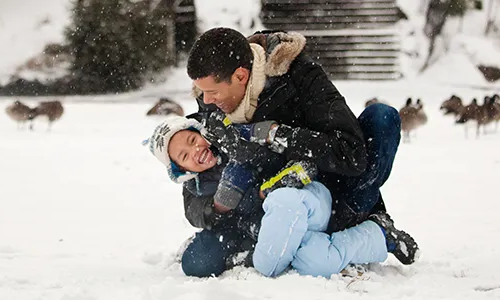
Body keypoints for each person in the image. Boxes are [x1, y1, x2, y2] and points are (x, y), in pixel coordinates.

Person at [180, 27, 419, 276]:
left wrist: (277, 135)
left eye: (212, 92)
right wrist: (217, 208)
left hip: (330, 193)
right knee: (198, 261)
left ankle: (354, 228)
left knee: (382, 118)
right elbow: (192, 185)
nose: (206, 101)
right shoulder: (212, 104)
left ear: (240, 76)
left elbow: (351, 153)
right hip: (260, 207)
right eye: (202, 93)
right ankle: (318, 245)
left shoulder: (301, 76)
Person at [145, 116, 418, 278]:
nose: (196, 151)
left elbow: (272, 151)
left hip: (295, 205)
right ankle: (375, 236)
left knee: (292, 218)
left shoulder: (231, 141)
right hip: (255, 227)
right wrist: (223, 204)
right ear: (182, 170)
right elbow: (197, 214)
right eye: (184, 156)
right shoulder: (195, 188)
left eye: (193, 141)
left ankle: (374, 234)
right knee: (198, 261)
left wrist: (263, 184)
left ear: (199, 133)